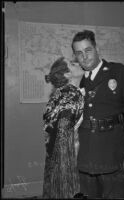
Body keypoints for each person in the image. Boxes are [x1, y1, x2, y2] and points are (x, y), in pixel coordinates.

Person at [71, 30, 124, 199]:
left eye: (88, 50)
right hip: (86, 158)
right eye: (79, 53)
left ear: (96, 48)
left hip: (114, 156)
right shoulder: (80, 80)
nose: (84, 56)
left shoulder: (119, 72)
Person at [42, 57, 85, 198]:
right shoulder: (72, 95)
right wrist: (66, 170)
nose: (78, 63)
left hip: (54, 156)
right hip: (66, 157)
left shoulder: (60, 93)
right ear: (67, 74)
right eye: (73, 64)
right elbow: (63, 132)